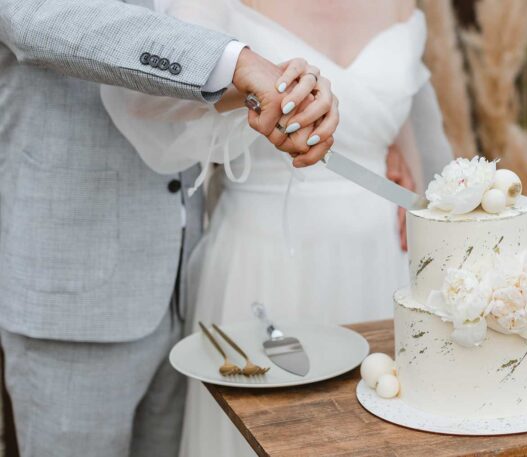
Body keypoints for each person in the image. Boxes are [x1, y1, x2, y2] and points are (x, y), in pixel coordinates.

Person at [101, 0, 453, 455]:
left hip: (383, 259)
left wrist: (405, 161)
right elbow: (148, 98)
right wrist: (254, 91)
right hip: (266, 258)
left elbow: (399, 100)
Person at [0, 0, 339, 456]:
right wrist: (238, 61)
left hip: (185, 290)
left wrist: (282, 90)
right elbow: (40, 15)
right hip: (73, 297)